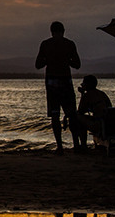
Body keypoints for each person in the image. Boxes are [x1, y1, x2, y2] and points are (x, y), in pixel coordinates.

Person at [35, 21, 82, 154]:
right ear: (63, 31)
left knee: (55, 115)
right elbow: (77, 64)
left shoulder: (45, 45)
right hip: (66, 81)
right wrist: (66, 60)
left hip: (52, 83)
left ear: (51, 31)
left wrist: (48, 60)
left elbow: (38, 64)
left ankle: (60, 146)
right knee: (71, 113)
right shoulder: (69, 44)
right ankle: (76, 145)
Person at [76, 75, 112, 148]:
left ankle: (83, 145)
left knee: (78, 118)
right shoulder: (102, 94)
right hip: (108, 123)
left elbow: (80, 111)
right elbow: (109, 107)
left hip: (99, 125)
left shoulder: (87, 95)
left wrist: (82, 94)